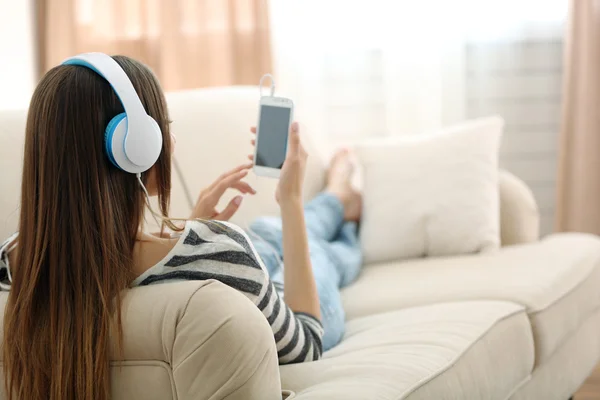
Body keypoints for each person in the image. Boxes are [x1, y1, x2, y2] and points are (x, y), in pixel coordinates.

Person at [0, 54, 362, 400]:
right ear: (136, 147)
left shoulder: (12, 263)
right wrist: (291, 202)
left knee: (268, 232)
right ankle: (339, 197)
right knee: (317, 247)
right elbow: (308, 341)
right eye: (164, 127)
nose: (171, 141)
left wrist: (189, 229)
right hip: (278, 288)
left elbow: (113, 263)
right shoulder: (218, 250)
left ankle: (336, 200)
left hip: (245, 258)